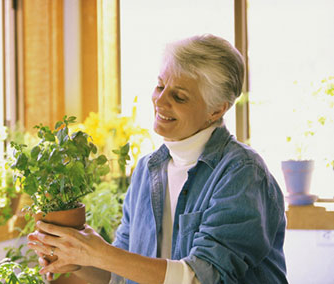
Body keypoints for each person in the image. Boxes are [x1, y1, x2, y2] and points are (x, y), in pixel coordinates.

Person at [27, 34, 288, 284]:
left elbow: (202, 278)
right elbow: (121, 273)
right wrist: (77, 257)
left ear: (216, 109)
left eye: (179, 96)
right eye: (160, 86)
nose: (159, 101)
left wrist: (100, 253)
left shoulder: (242, 173)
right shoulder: (148, 168)